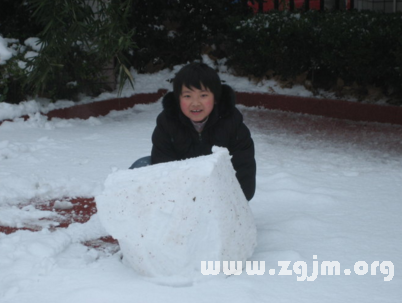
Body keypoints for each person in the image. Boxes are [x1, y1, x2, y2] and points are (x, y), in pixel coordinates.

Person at [130, 62, 256, 201]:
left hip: (219, 193)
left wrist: (234, 200)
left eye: (203, 95)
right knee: (141, 166)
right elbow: (162, 164)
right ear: (178, 99)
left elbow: (244, 166)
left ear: (215, 98)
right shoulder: (167, 122)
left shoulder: (232, 122)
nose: (195, 103)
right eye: (187, 96)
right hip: (181, 192)